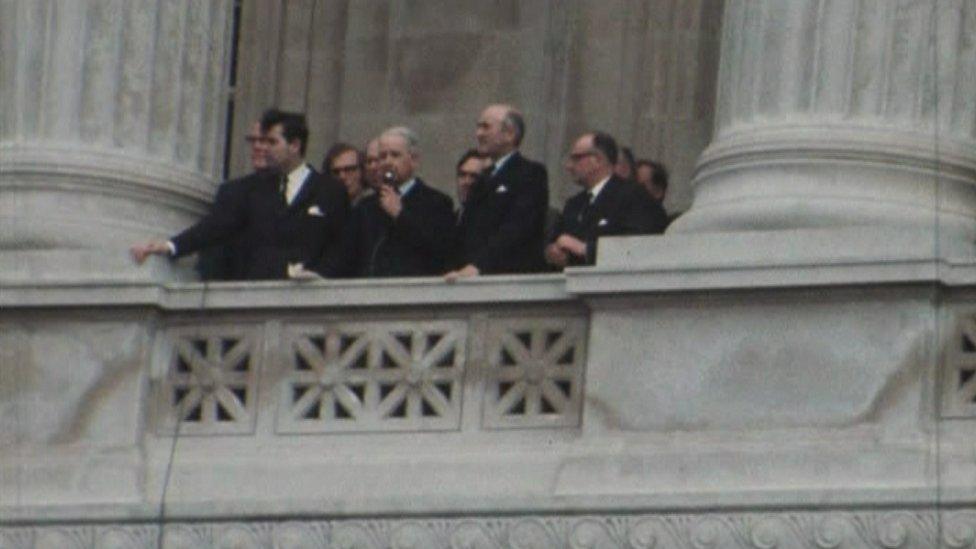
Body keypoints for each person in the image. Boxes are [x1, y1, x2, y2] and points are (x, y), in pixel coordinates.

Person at [130, 109, 349, 280]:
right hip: (257, 300)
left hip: (307, 303)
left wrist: (319, 277)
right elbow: (216, 226)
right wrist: (170, 246)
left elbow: (341, 245)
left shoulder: (330, 190)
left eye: (273, 142)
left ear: (294, 145)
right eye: (262, 142)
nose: (265, 149)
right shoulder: (253, 190)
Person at [447, 104, 549, 279]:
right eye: (478, 127)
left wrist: (479, 265)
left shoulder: (530, 173)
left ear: (509, 134)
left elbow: (518, 227)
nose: (478, 134)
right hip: (469, 278)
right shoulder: (484, 178)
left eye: (486, 127)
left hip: (509, 280)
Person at [339, 126, 455, 277]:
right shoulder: (366, 207)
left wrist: (400, 215)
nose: (387, 162)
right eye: (382, 156)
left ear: (413, 160)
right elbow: (348, 255)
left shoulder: (437, 202)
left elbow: (439, 254)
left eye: (395, 155)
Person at [545, 132, 668, 268]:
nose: (569, 166)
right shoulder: (574, 204)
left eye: (576, 158)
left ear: (597, 160)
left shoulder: (634, 196)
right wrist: (553, 251)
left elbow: (643, 245)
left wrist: (587, 250)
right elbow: (555, 241)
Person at [195, 121, 269, 280]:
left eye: (263, 140)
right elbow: (212, 235)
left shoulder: (305, 192)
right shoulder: (232, 191)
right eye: (253, 140)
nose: (256, 146)